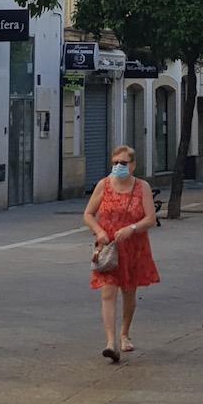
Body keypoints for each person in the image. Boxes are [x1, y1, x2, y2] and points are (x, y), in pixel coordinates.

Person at [83, 145, 160, 362]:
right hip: (108, 247)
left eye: (123, 163)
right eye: (115, 162)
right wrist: (99, 231)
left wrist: (132, 229)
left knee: (128, 291)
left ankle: (125, 333)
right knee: (108, 293)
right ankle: (110, 342)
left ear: (133, 165)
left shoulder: (142, 187)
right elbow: (88, 214)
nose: (118, 167)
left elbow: (150, 219)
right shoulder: (104, 185)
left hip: (133, 246)